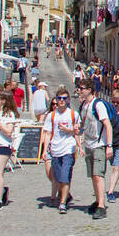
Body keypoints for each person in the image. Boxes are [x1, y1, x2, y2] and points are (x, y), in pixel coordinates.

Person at [76, 79, 114, 219]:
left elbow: (107, 125)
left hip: (99, 144)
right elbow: (84, 122)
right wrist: (79, 128)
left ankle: (101, 207)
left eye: (82, 88)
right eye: (79, 88)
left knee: (98, 175)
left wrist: (109, 146)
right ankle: (98, 200)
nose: (80, 90)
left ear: (90, 90)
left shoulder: (98, 105)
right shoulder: (83, 105)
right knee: (93, 175)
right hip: (88, 144)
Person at [41, 86, 79, 214]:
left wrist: (69, 131)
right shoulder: (51, 116)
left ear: (68, 100)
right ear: (56, 100)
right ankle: (65, 195)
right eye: (59, 98)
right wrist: (44, 150)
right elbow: (47, 133)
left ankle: (62, 203)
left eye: (64, 98)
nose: (62, 100)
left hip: (69, 148)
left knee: (65, 176)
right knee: (56, 177)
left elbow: (78, 131)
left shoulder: (73, 114)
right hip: (55, 149)